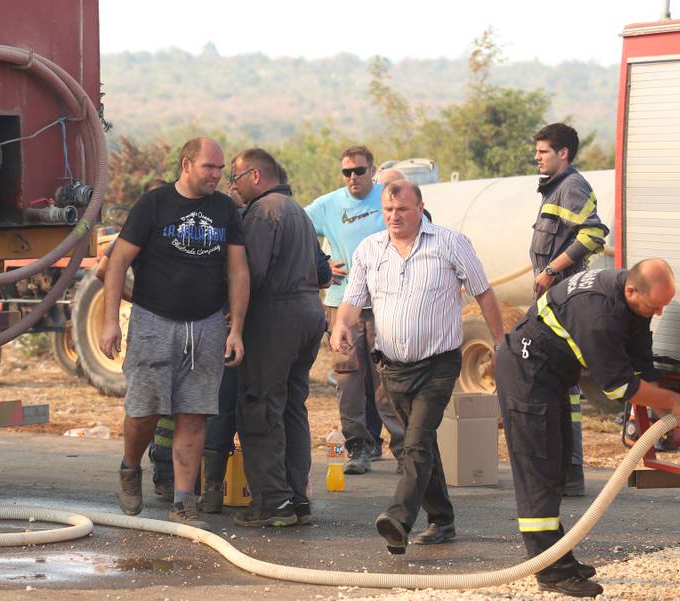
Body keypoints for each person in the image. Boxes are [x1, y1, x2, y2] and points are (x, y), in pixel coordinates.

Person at [494, 259, 680, 597]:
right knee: (540, 472)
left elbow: (641, 366)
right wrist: (675, 402)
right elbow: (619, 387)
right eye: (655, 307)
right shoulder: (599, 316)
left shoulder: (630, 300)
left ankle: (556, 555)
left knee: (557, 466)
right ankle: (551, 572)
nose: (659, 313)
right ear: (632, 290)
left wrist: (669, 420)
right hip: (526, 375)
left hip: (549, 376)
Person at [330, 180, 505, 554]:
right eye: (388, 210)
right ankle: (442, 520)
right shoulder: (370, 249)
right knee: (419, 445)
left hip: (438, 365)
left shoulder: (449, 243)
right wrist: (341, 326)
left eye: (402, 210)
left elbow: (483, 292)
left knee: (415, 441)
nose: (394, 217)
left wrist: (500, 343)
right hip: (392, 368)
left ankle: (399, 519)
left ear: (420, 207)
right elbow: (352, 301)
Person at [99, 137, 249, 530]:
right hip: (154, 321)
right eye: (209, 167)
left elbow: (238, 271)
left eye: (220, 169)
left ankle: (185, 501)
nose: (217, 175)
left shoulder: (224, 210)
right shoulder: (154, 204)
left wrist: (236, 329)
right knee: (144, 410)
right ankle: (130, 466)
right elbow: (116, 264)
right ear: (187, 164)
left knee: (194, 414)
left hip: (206, 325)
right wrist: (110, 320)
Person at [198, 160, 333, 517]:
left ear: (255, 176)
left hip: (276, 316)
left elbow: (248, 274)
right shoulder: (298, 212)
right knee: (291, 407)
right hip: (308, 312)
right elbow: (323, 271)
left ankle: (273, 502)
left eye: (235, 178)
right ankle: (296, 497)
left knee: (259, 405)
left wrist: (228, 313)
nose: (233, 186)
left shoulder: (262, 212)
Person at [306, 145, 405, 476]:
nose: (352, 178)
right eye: (346, 172)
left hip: (385, 304)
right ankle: (358, 448)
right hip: (342, 304)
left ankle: (404, 447)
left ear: (372, 171)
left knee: (388, 377)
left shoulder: (387, 198)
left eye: (359, 171)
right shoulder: (329, 204)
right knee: (348, 380)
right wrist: (320, 265)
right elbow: (294, 227)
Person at [530, 123, 609, 497]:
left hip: (564, 302)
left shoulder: (572, 186)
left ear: (564, 153)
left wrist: (551, 269)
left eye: (543, 151)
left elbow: (594, 233)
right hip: (553, 303)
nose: (537, 157)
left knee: (563, 387)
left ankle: (571, 473)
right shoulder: (555, 189)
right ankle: (566, 472)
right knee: (560, 387)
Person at [94, 177, 175, 498]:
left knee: (176, 408)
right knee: (156, 406)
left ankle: (171, 477)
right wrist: (138, 300)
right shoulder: (138, 231)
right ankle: (159, 472)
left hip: (181, 327)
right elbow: (104, 270)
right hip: (152, 327)